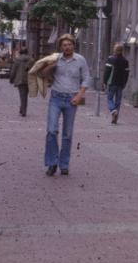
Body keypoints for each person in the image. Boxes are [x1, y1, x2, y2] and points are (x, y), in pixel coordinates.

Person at [44, 34, 91, 176]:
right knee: (52, 130)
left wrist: (79, 95)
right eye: (64, 45)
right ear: (60, 47)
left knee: (67, 134)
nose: (67, 47)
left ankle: (64, 164)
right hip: (56, 98)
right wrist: (50, 67)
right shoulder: (55, 58)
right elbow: (43, 73)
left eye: (70, 44)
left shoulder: (80, 60)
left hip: (72, 99)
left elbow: (86, 79)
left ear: (74, 46)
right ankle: (52, 163)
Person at [103, 43, 129, 124]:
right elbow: (126, 73)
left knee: (109, 98)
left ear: (115, 50)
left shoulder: (111, 59)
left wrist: (104, 81)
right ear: (122, 51)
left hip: (112, 82)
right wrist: (125, 83)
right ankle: (115, 118)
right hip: (121, 83)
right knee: (118, 100)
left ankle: (113, 111)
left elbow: (107, 71)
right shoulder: (125, 61)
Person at [8, 45, 33, 116]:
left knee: (22, 95)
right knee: (25, 95)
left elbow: (13, 71)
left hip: (20, 79)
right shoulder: (31, 60)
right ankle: (22, 108)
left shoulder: (17, 60)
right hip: (29, 80)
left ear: (20, 52)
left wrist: (11, 79)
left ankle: (23, 110)